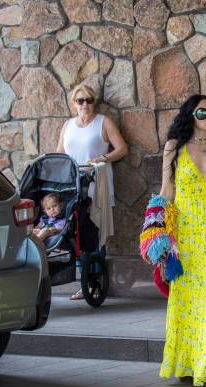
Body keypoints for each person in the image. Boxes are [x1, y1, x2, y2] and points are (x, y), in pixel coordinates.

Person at [158, 95, 206, 387]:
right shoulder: (173, 148)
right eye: (202, 111)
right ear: (190, 115)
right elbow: (166, 191)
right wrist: (160, 233)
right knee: (186, 298)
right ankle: (186, 364)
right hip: (186, 233)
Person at [56, 84, 128, 300]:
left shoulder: (103, 123)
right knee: (75, 233)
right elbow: (60, 153)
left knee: (96, 232)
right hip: (73, 186)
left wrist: (102, 159)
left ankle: (97, 282)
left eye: (89, 100)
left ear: (94, 102)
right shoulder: (68, 126)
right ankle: (85, 282)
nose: (85, 104)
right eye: (80, 101)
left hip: (97, 185)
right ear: (73, 103)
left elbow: (122, 148)